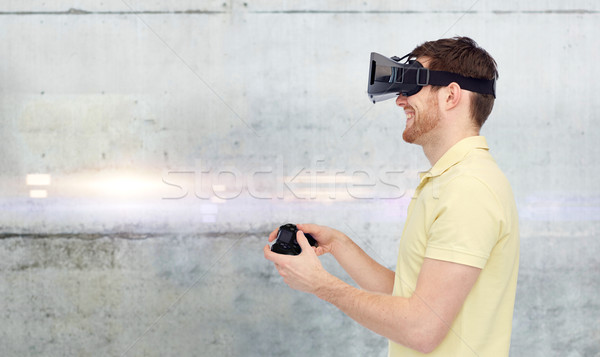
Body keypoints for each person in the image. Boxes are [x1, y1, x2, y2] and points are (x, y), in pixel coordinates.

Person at [264, 37, 519, 356]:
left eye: (411, 87)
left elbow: (422, 328)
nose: (400, 101)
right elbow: (411, 298)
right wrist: (340, 245)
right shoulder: (453, 180)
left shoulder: (468, 189)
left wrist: (322, 285)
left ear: (451, 95)